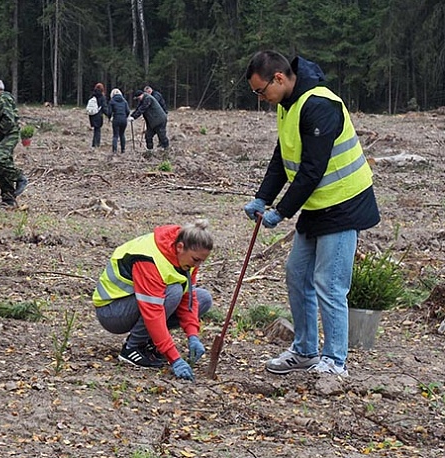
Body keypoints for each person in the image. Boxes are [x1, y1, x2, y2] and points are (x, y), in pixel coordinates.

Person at [243, 50, 380, 377]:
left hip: (345, 204)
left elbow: (312, 170)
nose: (261, 99)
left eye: (261, 92)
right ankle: (305, 350)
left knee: (329, 283)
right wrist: (262, 198)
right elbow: (282, 157)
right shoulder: (286, 105)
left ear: (278, 78)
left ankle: (335, 362)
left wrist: (282, 212)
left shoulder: (319, 104)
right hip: (319, 205)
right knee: (297, 274)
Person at [92, 221, 214, 381]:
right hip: (112, 311)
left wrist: (193, 335)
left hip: (138, 304)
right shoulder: (149, 259)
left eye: (201, 262)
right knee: (173, 292)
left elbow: (187, 298)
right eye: (196, 260)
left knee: (203, 298)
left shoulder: (186, 256)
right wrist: (175, 359)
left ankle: (150, 342)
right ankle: (132, 348)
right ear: (180, 247)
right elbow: (153, 313)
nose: (197, 265)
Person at [0, 78, 28, 208]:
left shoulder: (3, 99)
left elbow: (9, 121)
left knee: (0, 160)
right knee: (1, 170)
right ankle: (8, 199)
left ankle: (20, 176)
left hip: (10, 134)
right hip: (2, 136)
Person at [108, 88, 129, 154]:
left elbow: (109, 112)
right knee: (122, 134)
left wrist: (109, 118)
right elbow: (128, 111)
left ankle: (114, 151)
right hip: (123, 119)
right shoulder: (124, 101)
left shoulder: (112, 101)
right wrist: (125, 116)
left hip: (116, 119)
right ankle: (123, 150)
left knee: (115, 135)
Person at [88, 83, 109, 148]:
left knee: (95, 129)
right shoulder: (102, 97)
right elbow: (104, 107)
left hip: (92, 115)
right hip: (98, 115)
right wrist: (109, 115)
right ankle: (96, 144)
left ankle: (94, 144)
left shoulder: (92, 95)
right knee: (98, 130)